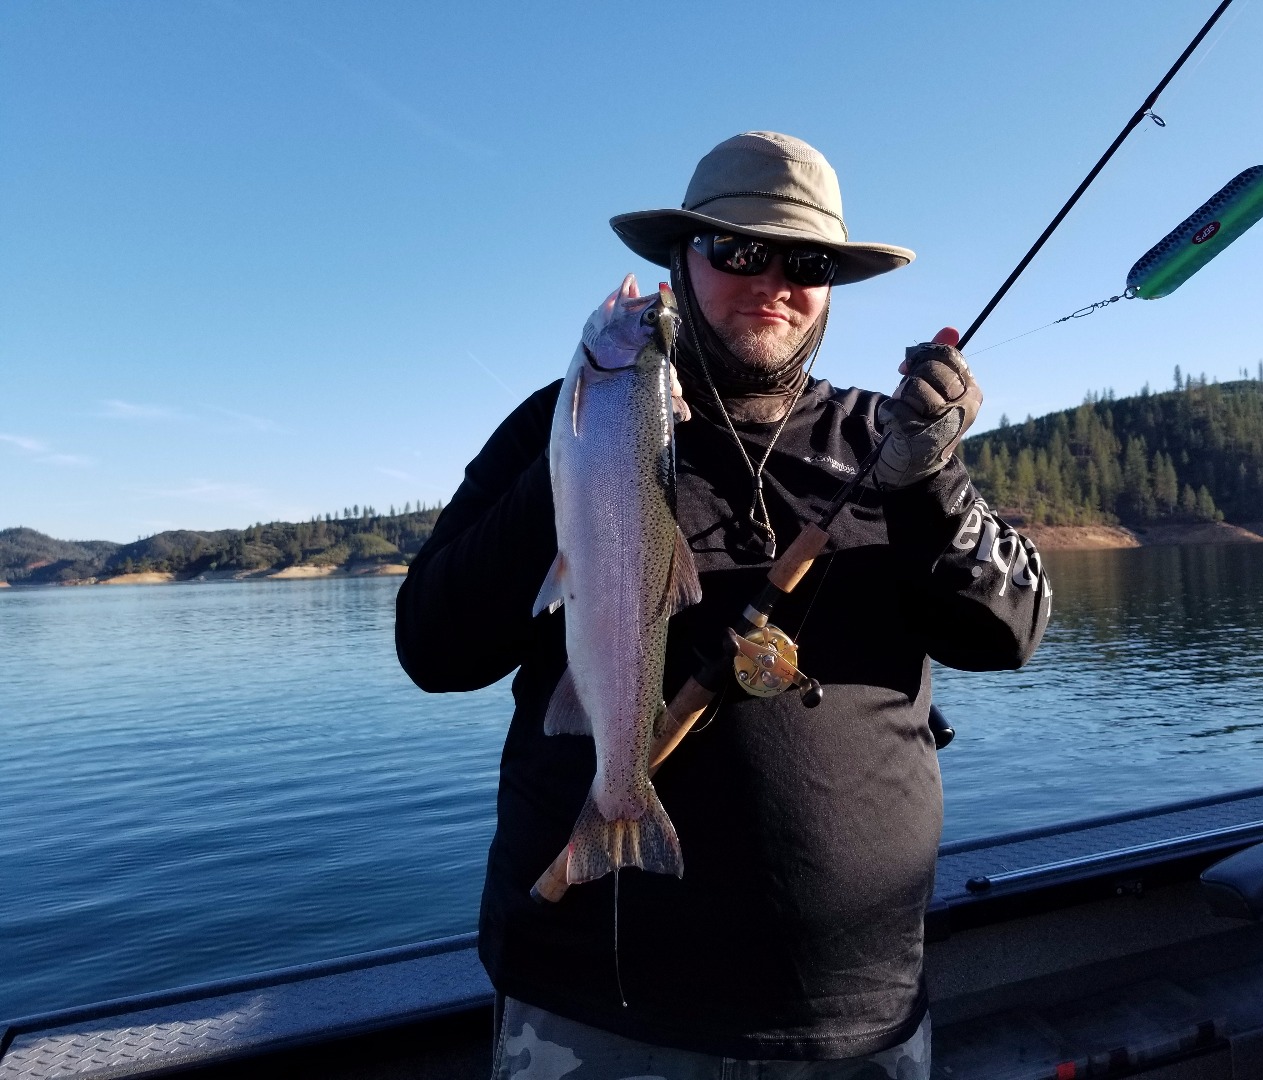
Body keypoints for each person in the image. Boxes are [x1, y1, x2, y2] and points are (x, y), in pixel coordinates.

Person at [395, 131, 1051, 1078]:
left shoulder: (891, 440)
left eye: (809, 261)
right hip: (598, 1006)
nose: (773, 280)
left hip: (853, 1012)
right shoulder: (562, 423)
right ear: (681, 259)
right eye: (739, 250)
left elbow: (1010, 634)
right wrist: (582, 458)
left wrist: (931, 483)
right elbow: (433, 650)